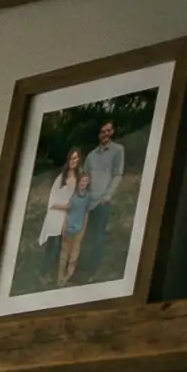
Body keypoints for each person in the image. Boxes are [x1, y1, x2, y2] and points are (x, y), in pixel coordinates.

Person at [82, 119, 126, 280]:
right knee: (87, 235)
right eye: (102, 131)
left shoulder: (118, 150)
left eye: (108, 130)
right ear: (99, 134)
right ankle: (82, 269)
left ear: (112, 132)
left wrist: (107, 196)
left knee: (98, 236)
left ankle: (93, 272)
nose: (105, 134)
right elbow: (85, 177)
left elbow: (118, 174)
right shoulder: (91, 156)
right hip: (88, 202)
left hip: (103, 201)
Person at [38, 147, 83, 285]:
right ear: (68, 160)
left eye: (76, 158)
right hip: (55, 215)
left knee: (61, 247)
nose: (73, 161)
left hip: (67, 217)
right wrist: (64, 207)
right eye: (71, 158)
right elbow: (52, 201)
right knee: (52, 246)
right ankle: (43, 274)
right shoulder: (61, 178)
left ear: (79, 160)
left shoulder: (79, 178)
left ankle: (56, 273)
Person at [59, 170, 93, 285]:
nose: (84, 183)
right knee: (64, 253)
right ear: (78, 181)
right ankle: (60, 277)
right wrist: (64, 226)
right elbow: (67, 212)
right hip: (69, 227)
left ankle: (68, 277)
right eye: (82, 180)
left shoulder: (88, 196)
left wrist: (84, 227)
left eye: (86, 181)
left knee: (74, 255)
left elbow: (86, 213)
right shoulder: (72, 195)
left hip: (79, 229)